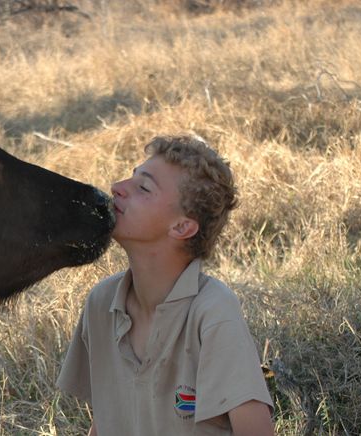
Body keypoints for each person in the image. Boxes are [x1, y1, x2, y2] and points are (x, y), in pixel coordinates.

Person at [57, 135, 274, 435]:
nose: (117, 188)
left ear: (182, 227)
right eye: (130, 177)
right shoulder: (101, 302)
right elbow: (109, 418)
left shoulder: (212, 311)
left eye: (143, 188)